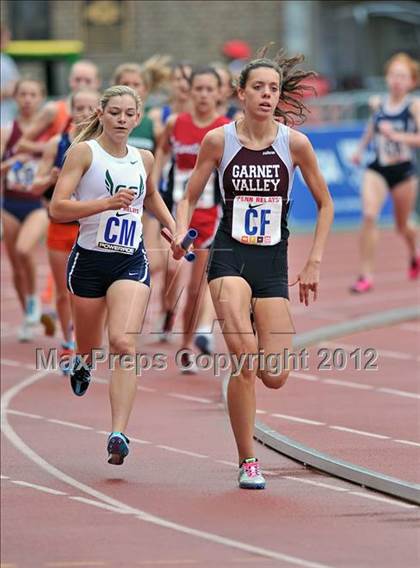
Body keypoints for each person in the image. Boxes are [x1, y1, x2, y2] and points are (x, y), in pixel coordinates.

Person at [172, 50, 334, 489]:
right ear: (240, 93)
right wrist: (180, 230)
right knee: (244, 360)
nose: (267, 95)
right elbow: (189, 195)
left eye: (274, 89)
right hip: (229, 255)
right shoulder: (218, 140)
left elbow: (325, 204)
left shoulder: (294, 144)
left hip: (272, 263)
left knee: (275, 375)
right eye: (258, 87)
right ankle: (248, 460)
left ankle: (250, 321)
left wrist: (314, 259)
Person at [50, 85, 177, 465]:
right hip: (88, 262)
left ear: (138, 118)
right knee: (89, 345)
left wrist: (170, 227)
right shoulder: (84, 153)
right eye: (115, 113)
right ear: (102, 114)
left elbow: (151, 196)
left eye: (128, 114)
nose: (122, 120)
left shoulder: (145, 158)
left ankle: (118, 432)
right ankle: (84, 362)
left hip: (129, 261)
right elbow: (58, 207)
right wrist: (104, 203)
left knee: (123, 342)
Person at [153, 67, 229, 364]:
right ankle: (169, 313)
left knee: (197, 289)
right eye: (199, 88)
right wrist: (154, 182)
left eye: (210, 89)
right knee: (172, 273)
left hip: (210, 216)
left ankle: (187, 346)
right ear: (190, 91)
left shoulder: (225, 128)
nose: (204, 95)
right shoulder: (175, 123)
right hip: (177, 212)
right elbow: (161, 153)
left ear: (219, 93)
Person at [30, 88, 100, 366]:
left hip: (91, 227)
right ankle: (68, 340)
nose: (83, 113)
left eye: (88, 107)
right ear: (70, 110)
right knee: (63, 290)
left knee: (91, 292)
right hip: (60, 226)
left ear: (98, 112)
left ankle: (89, 341)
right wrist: (52, 177)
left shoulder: (102, 147)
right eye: (78, 107)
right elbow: (34, 185)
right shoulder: (56, 144)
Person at [350, 53, 420, 292]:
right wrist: (359, 149)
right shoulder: (378, 104)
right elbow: (372, 127)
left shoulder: (414, 106)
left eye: (402, 77)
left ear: (411, 81)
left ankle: (414, 251)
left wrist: (397, 135)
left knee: (402, 226)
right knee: (369, 215)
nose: (397, 81)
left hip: (403, 171)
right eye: (393, 75)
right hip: (378, 167)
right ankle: (365, 275)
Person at [1, 78, 49, 341]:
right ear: (16, 98)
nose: (28, 99)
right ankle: (28, 312)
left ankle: (33, 299)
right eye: (23, 94)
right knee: (16, 265)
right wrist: (13, 163)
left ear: (41, 98)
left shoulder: (49, 133)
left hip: (36, 204)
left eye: (33, 94)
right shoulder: (7, 131)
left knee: (24, 248)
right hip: (10, 203)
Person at [0, 25, 20, 128]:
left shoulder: (6, 59)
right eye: (6, 37)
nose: (8, 40)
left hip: (9, 115)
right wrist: (5, 91)